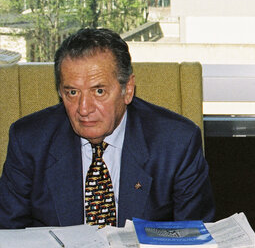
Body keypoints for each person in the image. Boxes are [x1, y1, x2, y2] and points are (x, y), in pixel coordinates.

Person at [0, 28, 215, 228]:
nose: (84, 109)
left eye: (99, 91)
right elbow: (9, 237)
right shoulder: (29, 141)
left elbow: (194, 241)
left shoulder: (177, 143)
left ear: (127, 89)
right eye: (72, 93)